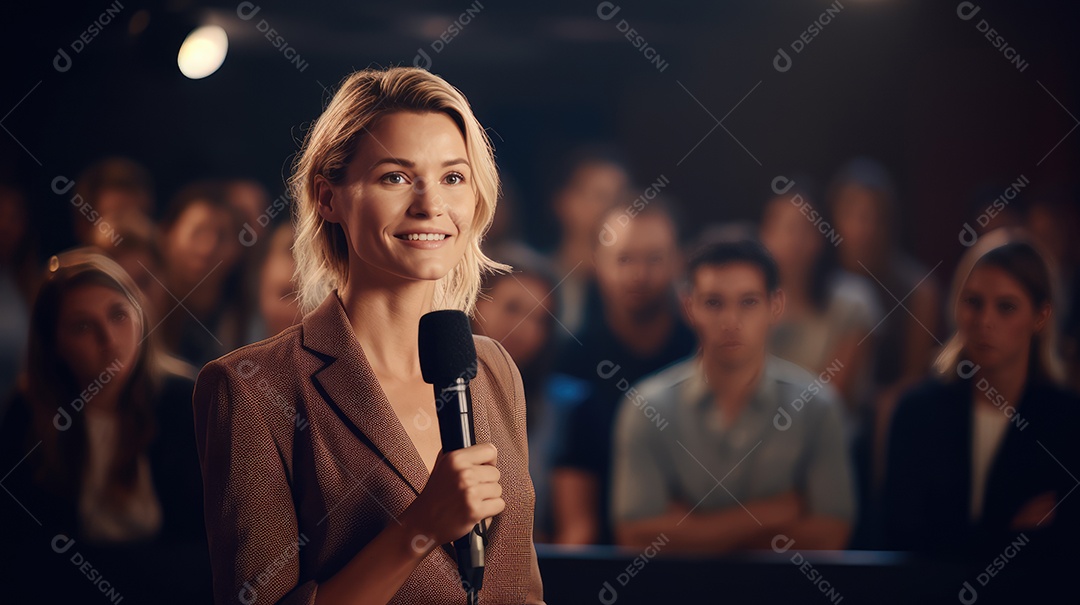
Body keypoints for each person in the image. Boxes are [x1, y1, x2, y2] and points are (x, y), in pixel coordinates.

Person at [192, 67, 543, 604]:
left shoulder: (494, 367)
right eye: (395, 177)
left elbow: (518, 588)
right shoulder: (250, 388)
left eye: (453, 177)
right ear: (328, 198)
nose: (431, 205)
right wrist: (419, 527)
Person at [610, 239, 855, 553]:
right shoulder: (646, 406)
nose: (730, 321)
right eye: (714, 302)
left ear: (775, 306)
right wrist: (768, 515)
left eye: (748, 302)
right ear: (689, 307)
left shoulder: (818, 406)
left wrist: (691, 529)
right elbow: (634, 536)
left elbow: (832, 536)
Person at [0, 248, 206, 600]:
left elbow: (208, 551)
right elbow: (23, 559)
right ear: (53, 344)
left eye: (118, 315)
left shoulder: (186, 400)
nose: (109, 339)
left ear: (140, 316)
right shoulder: (27, 414)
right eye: (82, 326)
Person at [881, 229, 1080, 555]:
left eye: (1006, 307)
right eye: (973, 302)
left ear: (1041, 316)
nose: (985, 321)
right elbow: (902, 542)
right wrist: (1008, 533)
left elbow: (1066, 552)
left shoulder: (1069, 424)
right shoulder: (916, 413)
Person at [549, 199, 696, 545]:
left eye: (654, 258)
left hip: (695, 555)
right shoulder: (573, 359)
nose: (638, 275)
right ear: (598, 263)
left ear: (679, 263)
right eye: (624, 259)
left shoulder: (701, 351)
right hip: (595, 554)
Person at [471, 243, 561, 541]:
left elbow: (574, 530)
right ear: (475, 302)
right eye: (512, 308)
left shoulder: (559, 409)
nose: (524, 329)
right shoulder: (427, 391)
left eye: (539, 319)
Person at [159, 181, 251, 366]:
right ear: (167, 234)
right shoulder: (142, 310)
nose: (207, 248)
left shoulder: (248, 321)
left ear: (238, 250)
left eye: (222, 236)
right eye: (197, 232)